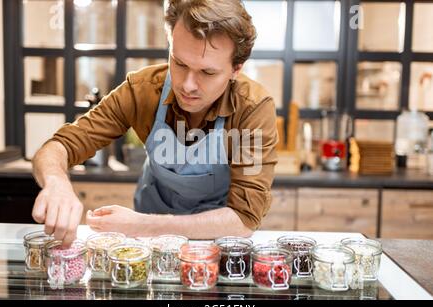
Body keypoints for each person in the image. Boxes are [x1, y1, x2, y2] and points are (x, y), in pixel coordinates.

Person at [31, 0, 278, 246]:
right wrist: (56, 182)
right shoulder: (143, 92)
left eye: (207, 73)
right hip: (151, 244)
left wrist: (142, 225)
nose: (188, 85)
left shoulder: (250, 110)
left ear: (236, 68)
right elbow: (59, 146)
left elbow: (244, 219)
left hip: (216, 241)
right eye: (179, 63)